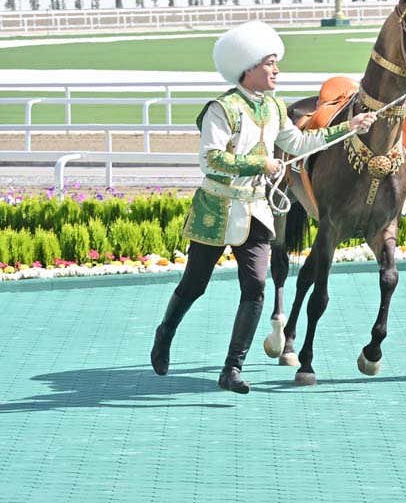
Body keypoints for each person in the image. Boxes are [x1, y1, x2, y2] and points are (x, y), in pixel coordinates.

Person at [149, 20, 375, 394]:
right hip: (216, 209)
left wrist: (349, 127)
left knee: (255, 289)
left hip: (256, 210)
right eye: (270, 63)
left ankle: (232, 368)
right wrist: (261, 164)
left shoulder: (272, 107)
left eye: (275, 63)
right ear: (248, 67)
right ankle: (165, 332)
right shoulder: (221, 110)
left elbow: (301, 142)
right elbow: (211, 160)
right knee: (194, 285)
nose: (277, 70)